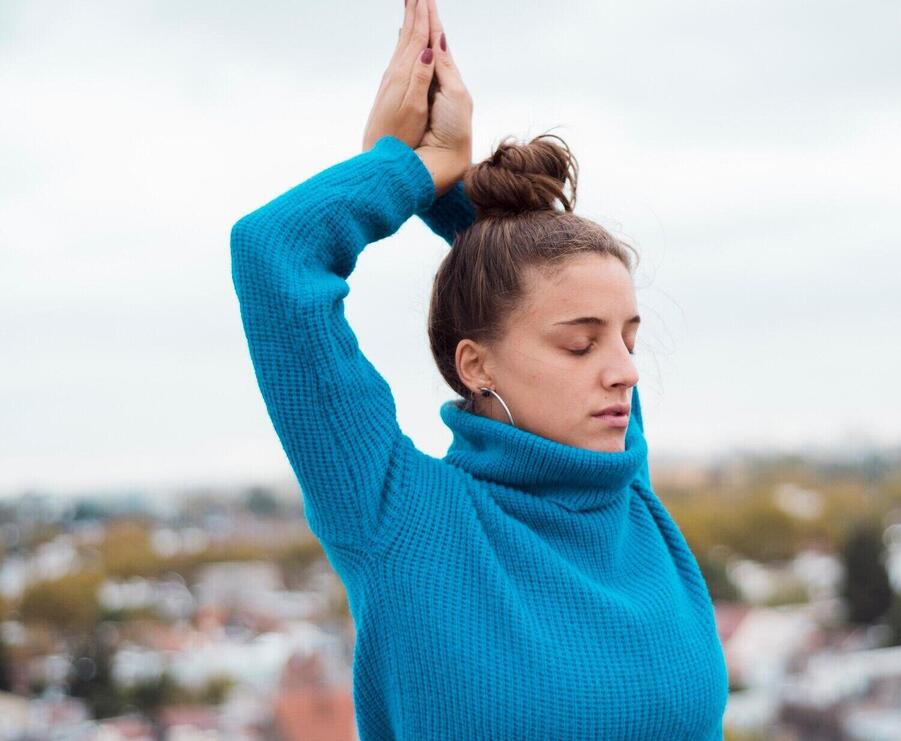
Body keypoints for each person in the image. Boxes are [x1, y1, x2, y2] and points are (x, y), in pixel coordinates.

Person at [229, 0, 728, 737]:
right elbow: (275, 254)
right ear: (475, 365)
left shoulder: (627, 493)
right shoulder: (400, 519)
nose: (625, 372)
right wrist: (406, 171)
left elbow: (515, 280)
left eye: (628, 336)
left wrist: (462, 195)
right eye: (580, 343)